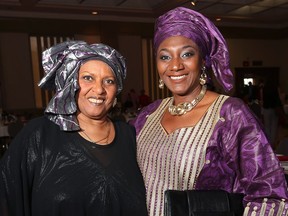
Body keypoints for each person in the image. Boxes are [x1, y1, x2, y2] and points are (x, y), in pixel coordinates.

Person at [130, 7, 288, 216]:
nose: (175, 65)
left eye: (187, 54)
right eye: (165, 57)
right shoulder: (147, 116)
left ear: (203, 60)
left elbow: (270, 195)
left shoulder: (231, 114)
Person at [0, 41, 148, 216]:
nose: (99, 89)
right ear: (71, 82)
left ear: (117, 90)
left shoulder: (130, 136)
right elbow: (6, 198)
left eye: (109, 81)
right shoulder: (39, 135)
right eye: (88, 78)